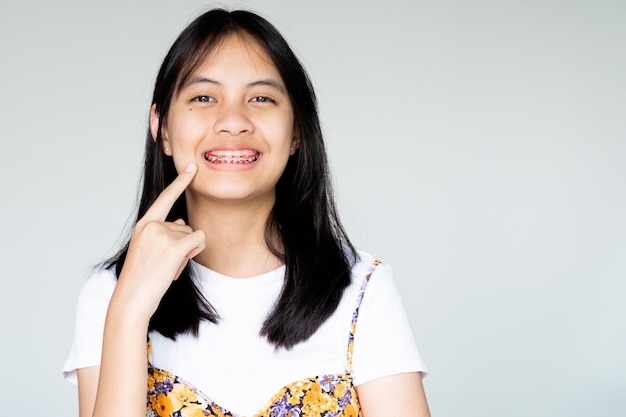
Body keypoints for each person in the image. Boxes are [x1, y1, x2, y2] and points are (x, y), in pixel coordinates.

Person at [63, 8, 430, 417]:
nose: (233, 121)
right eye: (203, 97)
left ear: (297, 133)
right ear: (162, 128)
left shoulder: (363, 287)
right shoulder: (109, 294)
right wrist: (129, 309)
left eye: (261, 98)